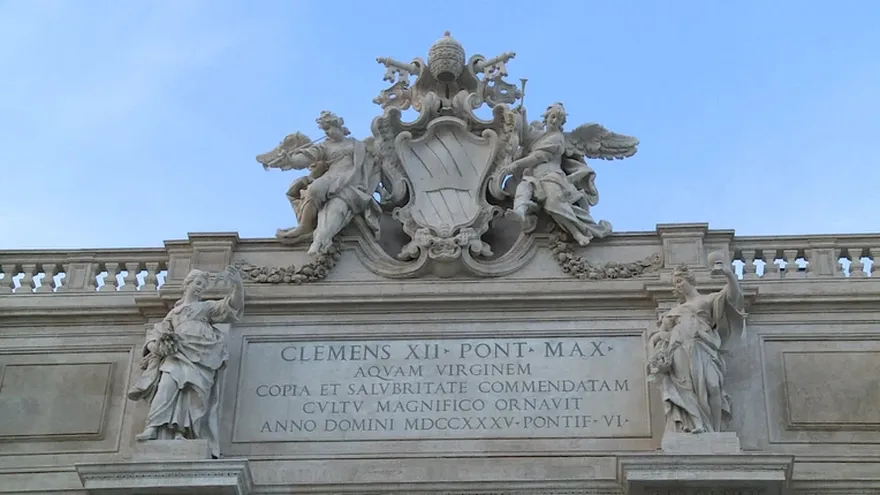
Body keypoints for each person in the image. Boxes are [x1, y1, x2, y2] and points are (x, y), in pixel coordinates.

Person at [127, 267, 244, 457]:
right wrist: (159, 345)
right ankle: (154, 427)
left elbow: (232, 306)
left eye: (203, 285)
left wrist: (237, 285)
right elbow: (155, 335)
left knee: (193, 393)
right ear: (187, 283)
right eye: (197, 283)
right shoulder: (174, 313)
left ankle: (183, 431)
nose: (200, 288)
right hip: (177, 353)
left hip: (202, 354)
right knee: (166, 387)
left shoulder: (206, 308)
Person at [649, 261, 746, 433]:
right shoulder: (674, 311)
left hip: (704, 346)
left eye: (679, 281)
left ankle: (714, 431)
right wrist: (656, 353)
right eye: (675, 284)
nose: (678, 286)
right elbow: (658, 336)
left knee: (713, 386)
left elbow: (733, 297)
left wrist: (729, 274)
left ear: (690, 280)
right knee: (686, 388)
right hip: (679, 348)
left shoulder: (707, 300)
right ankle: (697, 424)